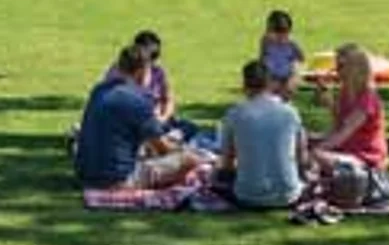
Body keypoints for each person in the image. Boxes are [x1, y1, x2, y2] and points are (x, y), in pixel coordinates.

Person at [74, 45, 208, 190]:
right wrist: (187, 151)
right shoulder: (138, 100)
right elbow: (163, 149)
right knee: (190, 160)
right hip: (118, 180)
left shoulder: (99, 91)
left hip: (85, 176)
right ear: (141, 71)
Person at [218, 59, 311, 208]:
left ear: (244, 85)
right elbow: (302, 158)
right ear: (270, 83)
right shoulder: (289, 112)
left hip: (248, 195)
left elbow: (227, 161)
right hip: (288, 194)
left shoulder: (236, 114)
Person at [314, 43, 389, 174]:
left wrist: (318, 148)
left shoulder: (367, 98)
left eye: (341, 66)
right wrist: (330, 105)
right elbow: (339, 125)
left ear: (354, 68)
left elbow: (345, 132)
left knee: (316, 156)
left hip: (366, 157)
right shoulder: (346, 93)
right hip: (347, 151)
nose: (336, 70)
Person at [103, 30, 178, 123]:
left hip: (156, 121)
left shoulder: (158, 71)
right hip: (135, 125)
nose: (151, 62)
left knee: (189, 129)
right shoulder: (119, 72)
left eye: (154, 57)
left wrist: (163, 118)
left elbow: (168, 99)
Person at [259, 10, 305, 95]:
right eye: (275, 34)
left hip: (288, 74)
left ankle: (286, 93)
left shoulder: (292, 43)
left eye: (285, 34)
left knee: (291, 82)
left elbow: (301, 59)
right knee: (269, 87)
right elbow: (262, 58)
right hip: (272, 74)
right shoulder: (266, 42)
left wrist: (296, 70)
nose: (280, 38)